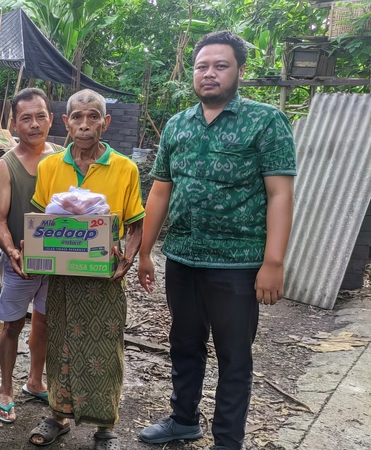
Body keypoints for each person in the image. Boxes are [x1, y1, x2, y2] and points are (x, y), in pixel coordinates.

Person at [137, 31, 295, 450]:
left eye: (220, 66)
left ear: (239, 71)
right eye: (201, 66)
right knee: (184, 344)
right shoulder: (178, 124)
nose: (209, 73)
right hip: (183, 258)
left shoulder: (265, 121)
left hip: (237, 264)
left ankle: (227, 441)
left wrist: (273, 262)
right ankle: (183, 420)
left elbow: (280, 194)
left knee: (234, 355)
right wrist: (146, 252)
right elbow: (160, 191)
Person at [28, 89, 145, 449]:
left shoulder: (124, 168)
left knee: (105, 350)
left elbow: (137, 224)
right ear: (66, 123)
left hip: (104, 279)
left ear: (105, 123)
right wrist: (30, 250)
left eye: (93, 116)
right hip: (63, 278)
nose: (84, 124)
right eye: (77, 117)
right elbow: (40, 222)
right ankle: (57, 417)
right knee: (59, 344)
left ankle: (105, 427)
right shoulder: (50, 167)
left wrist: (129, 257)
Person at [0, 88, 55, 423]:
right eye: (26, 118)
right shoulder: (7, 164)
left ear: (51, 119)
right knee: (12, 324)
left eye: (40, 116)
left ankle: (35, 381)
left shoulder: (63, 158)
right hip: (21, 262)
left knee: (43, 323)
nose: (34, 124)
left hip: (57, 262)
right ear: (14, 124)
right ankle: (5, 389)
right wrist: (12, 251)